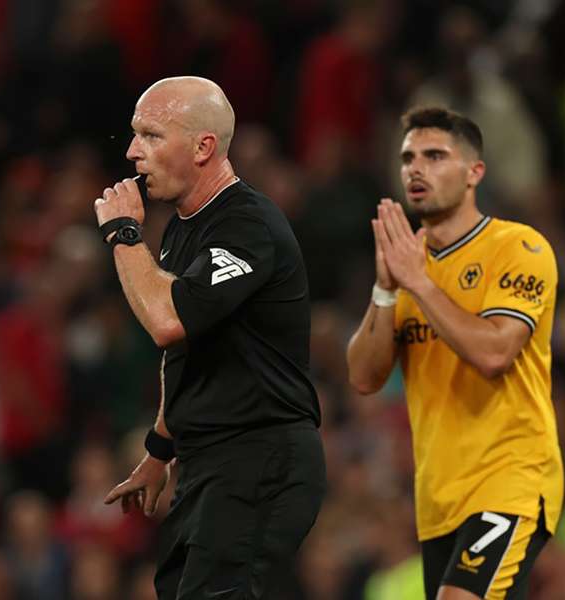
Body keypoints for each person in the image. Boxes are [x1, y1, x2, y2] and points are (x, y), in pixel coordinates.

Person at [96, 76, 325, 599]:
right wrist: (159, 449)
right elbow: (185, 352)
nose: (133, 152)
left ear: (203, 147)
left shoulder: (248, 226)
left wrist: (125, 235)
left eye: (151, 136)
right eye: (135, 135)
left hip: (260, 456)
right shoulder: (182, 226)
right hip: (208, 464)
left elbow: (166, 321)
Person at [346, 106, 563, 600]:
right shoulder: (405, 262)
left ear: (474, 173)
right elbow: (363, 377)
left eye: (435, 156)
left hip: (510, 479)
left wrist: (417, 283)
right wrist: (385, 289)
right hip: (438, 499)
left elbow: (494, 352)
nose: (415, 169)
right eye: (408, 158)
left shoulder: (519, 247)